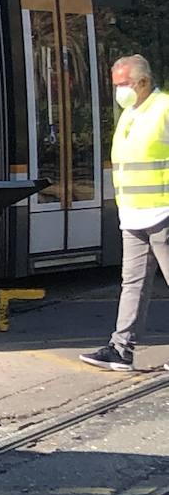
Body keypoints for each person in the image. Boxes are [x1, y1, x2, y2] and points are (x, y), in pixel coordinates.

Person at [82, 54, 169, 372]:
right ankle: (121, 349)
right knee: (132, 283)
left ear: (143, 81)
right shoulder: (130, 114)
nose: (119, 90)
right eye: (115, 84)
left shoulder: (164, 108)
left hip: (163, 213)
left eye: (124, 84)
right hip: (133, 216)